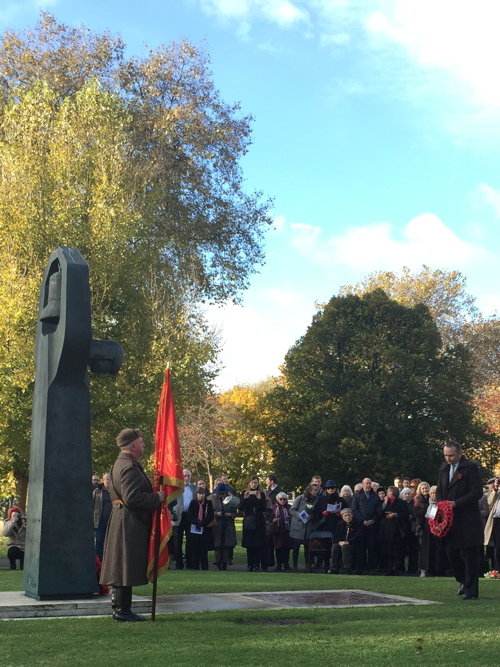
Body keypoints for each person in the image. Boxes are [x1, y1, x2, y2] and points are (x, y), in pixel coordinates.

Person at [100, 428, 165, 622]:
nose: (144, 445)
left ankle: (121, 608)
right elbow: (132, 497)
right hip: (128, 522)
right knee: (123, 566)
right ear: (133, 445)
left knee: (122, 565)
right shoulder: (128, 467)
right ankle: (121, 610)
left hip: (124, 519)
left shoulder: (122, 464)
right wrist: (156, 497)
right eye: (141, 442)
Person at [437, 440, 483, 600]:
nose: (448, 458)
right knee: (450, 552)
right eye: (445, 455)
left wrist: (456, 503)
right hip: (449, 521)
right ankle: (463, 581)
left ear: (459, 454)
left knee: (470, 555)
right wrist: (442, 505)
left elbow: (477, 492)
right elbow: (440, 492)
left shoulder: (470, 468)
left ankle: (471, 591)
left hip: (468, 519)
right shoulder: (443, 469)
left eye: (451, 455)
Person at [352, 477, 381, 574]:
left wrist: (372, 520)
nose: (368, 485)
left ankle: (371, 568)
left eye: (369, 483)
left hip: (372, 526)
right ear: (362, 484)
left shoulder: (375, 496)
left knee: (371, 547)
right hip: (360, 525)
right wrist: (363, 520)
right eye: (366, 483)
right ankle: (360, 568)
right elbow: (355, 510)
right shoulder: (356, 496)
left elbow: (378, 511)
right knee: (360, 547)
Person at [377, 486, 408, 575]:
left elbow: (405, 515)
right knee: (387, 551)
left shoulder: (401, 503)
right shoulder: (383, 502)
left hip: (396, 531)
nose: (387, 493)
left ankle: (397, 569)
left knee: (396, 551)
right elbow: (379, 512)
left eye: (389, 491)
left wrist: (395, 514)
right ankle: (389, 568)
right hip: (386, 531)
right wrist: (385, 503)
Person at [290, 483, 321, 572]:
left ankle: (308, 565)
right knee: (296, 547)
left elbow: (316, 512)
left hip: (308, 527)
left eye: (317, 490)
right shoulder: (300, 498)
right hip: (298, 526)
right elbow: (292, 510)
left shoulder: (316, 500)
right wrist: (300, 516)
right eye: (315, 490)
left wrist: (311, 517)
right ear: (310, 490)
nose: (316, 492)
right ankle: (295, 565)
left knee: (308, 547)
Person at [241, 476, 268, 572]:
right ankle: (250, 564)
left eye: (256, 482)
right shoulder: (245, 493)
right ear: (249, 483)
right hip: (249, 520)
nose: (254, 484)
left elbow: (264, 508)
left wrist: (260, 499)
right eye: (252, 482)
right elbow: (240, 508)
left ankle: (257, 564)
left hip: (258, 521)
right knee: (249, 544)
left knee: (258, 544)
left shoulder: (261, 494)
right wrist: (244, 499)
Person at [208, 482, 238, 570]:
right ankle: (218, 563)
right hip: (217, 525)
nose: (222, 495)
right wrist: (217, 513)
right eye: (220, 493)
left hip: (227, 525)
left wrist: (229, 514)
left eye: (223, 493)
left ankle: (224, 563)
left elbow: (235, 513)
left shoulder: (231, 500)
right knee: (217, 545)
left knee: (226, 545)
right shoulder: (212, 500)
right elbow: (209, 512)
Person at [174, 469, 198, 569]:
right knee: (177, 541)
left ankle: (189, 563)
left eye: (188, 476)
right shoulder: (176, 488)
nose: (186, 478)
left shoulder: (194, 488)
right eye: (184, 476)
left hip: (190, 516)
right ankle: (178, 563)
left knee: (190, 541)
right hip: (179, 516)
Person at [187, 487, 215, 570]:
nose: (201, 495)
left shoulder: (208, 503)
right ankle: (195, 565)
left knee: (204, 549)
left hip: (205, 528)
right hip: (195, 528)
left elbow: (211, 515)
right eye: (199, 494)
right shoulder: (193, 503)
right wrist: (197, 522)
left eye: (203, 494)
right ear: (196, 495)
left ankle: (204, 566)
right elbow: (190, 515)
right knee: (195, 548)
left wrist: (203, 522)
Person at [329, 507, 363, 574]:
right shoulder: (340, 523)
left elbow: (358, 535)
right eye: (345, 516)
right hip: (342, 543)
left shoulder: (358, 523)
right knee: (335, 546)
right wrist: (339, 542)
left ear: (352, 515)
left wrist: (348, 542)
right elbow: (336, 536)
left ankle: (346, 568)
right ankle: (334, 567)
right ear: (342, 517)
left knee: (345, 546)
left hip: (354, 544)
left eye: (349, 515)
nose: (347, 517)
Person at [270, 491, 293, 571]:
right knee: (278, 548)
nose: (282, 501)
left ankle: (286, 563)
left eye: (284, 499)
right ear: (277, 499)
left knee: (287, 548)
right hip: (277, 531)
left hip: (287, 530)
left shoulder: (289, 507)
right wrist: (273, 520)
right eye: (281, 499)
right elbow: (269, 518)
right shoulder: (273, 507)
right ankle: (278, 564)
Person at [93, 472, 112, 561]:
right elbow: (91, 505)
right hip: (100, 521)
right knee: (99, 541)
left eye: (110, 479)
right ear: (103, 480)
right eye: (107, 479)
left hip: (112, 522)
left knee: (111, 543)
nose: (109, 481)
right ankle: (98, 563)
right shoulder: (97, 492)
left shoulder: (115, 491)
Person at [2, 506, 26, 570]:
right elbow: (5, 533)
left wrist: (24, 524)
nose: (16, 517)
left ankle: (22, 565)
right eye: (14, 515)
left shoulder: (24, 522)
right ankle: (12, 565)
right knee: (12, 551)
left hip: (24, 548)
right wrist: (12, 523)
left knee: (23, 567)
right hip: (14, 546)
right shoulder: (8, 523)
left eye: (17, 515)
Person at [484, 477, 500, 570]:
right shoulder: (496, 492)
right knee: (497, 546)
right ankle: (497, 569)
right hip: (497, 520)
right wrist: (495, 488)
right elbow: (490, 502)